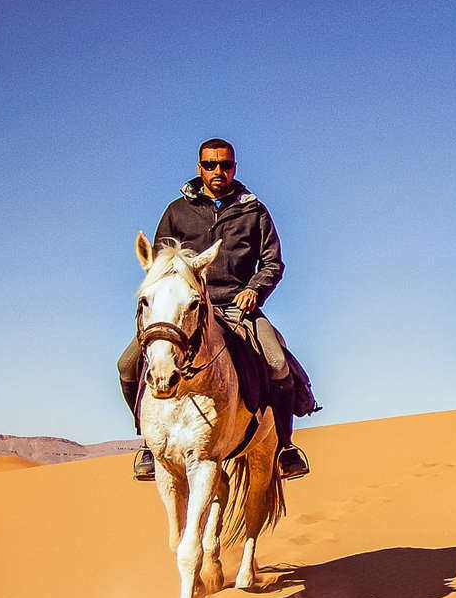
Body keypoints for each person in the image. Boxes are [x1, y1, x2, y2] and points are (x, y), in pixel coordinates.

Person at [118, 138, 315, 481]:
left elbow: (272, 262)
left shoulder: (254, 211)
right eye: (210, 165)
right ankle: (149, 443)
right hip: (186, 312)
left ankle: (284, 446)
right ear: (199, 168)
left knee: (277, 362)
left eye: (225, 165)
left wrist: (254, 290)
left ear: (234, 167)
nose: (218, 172)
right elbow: (159, 266)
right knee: (126, 364)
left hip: (238, 307)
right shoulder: (176, 211)